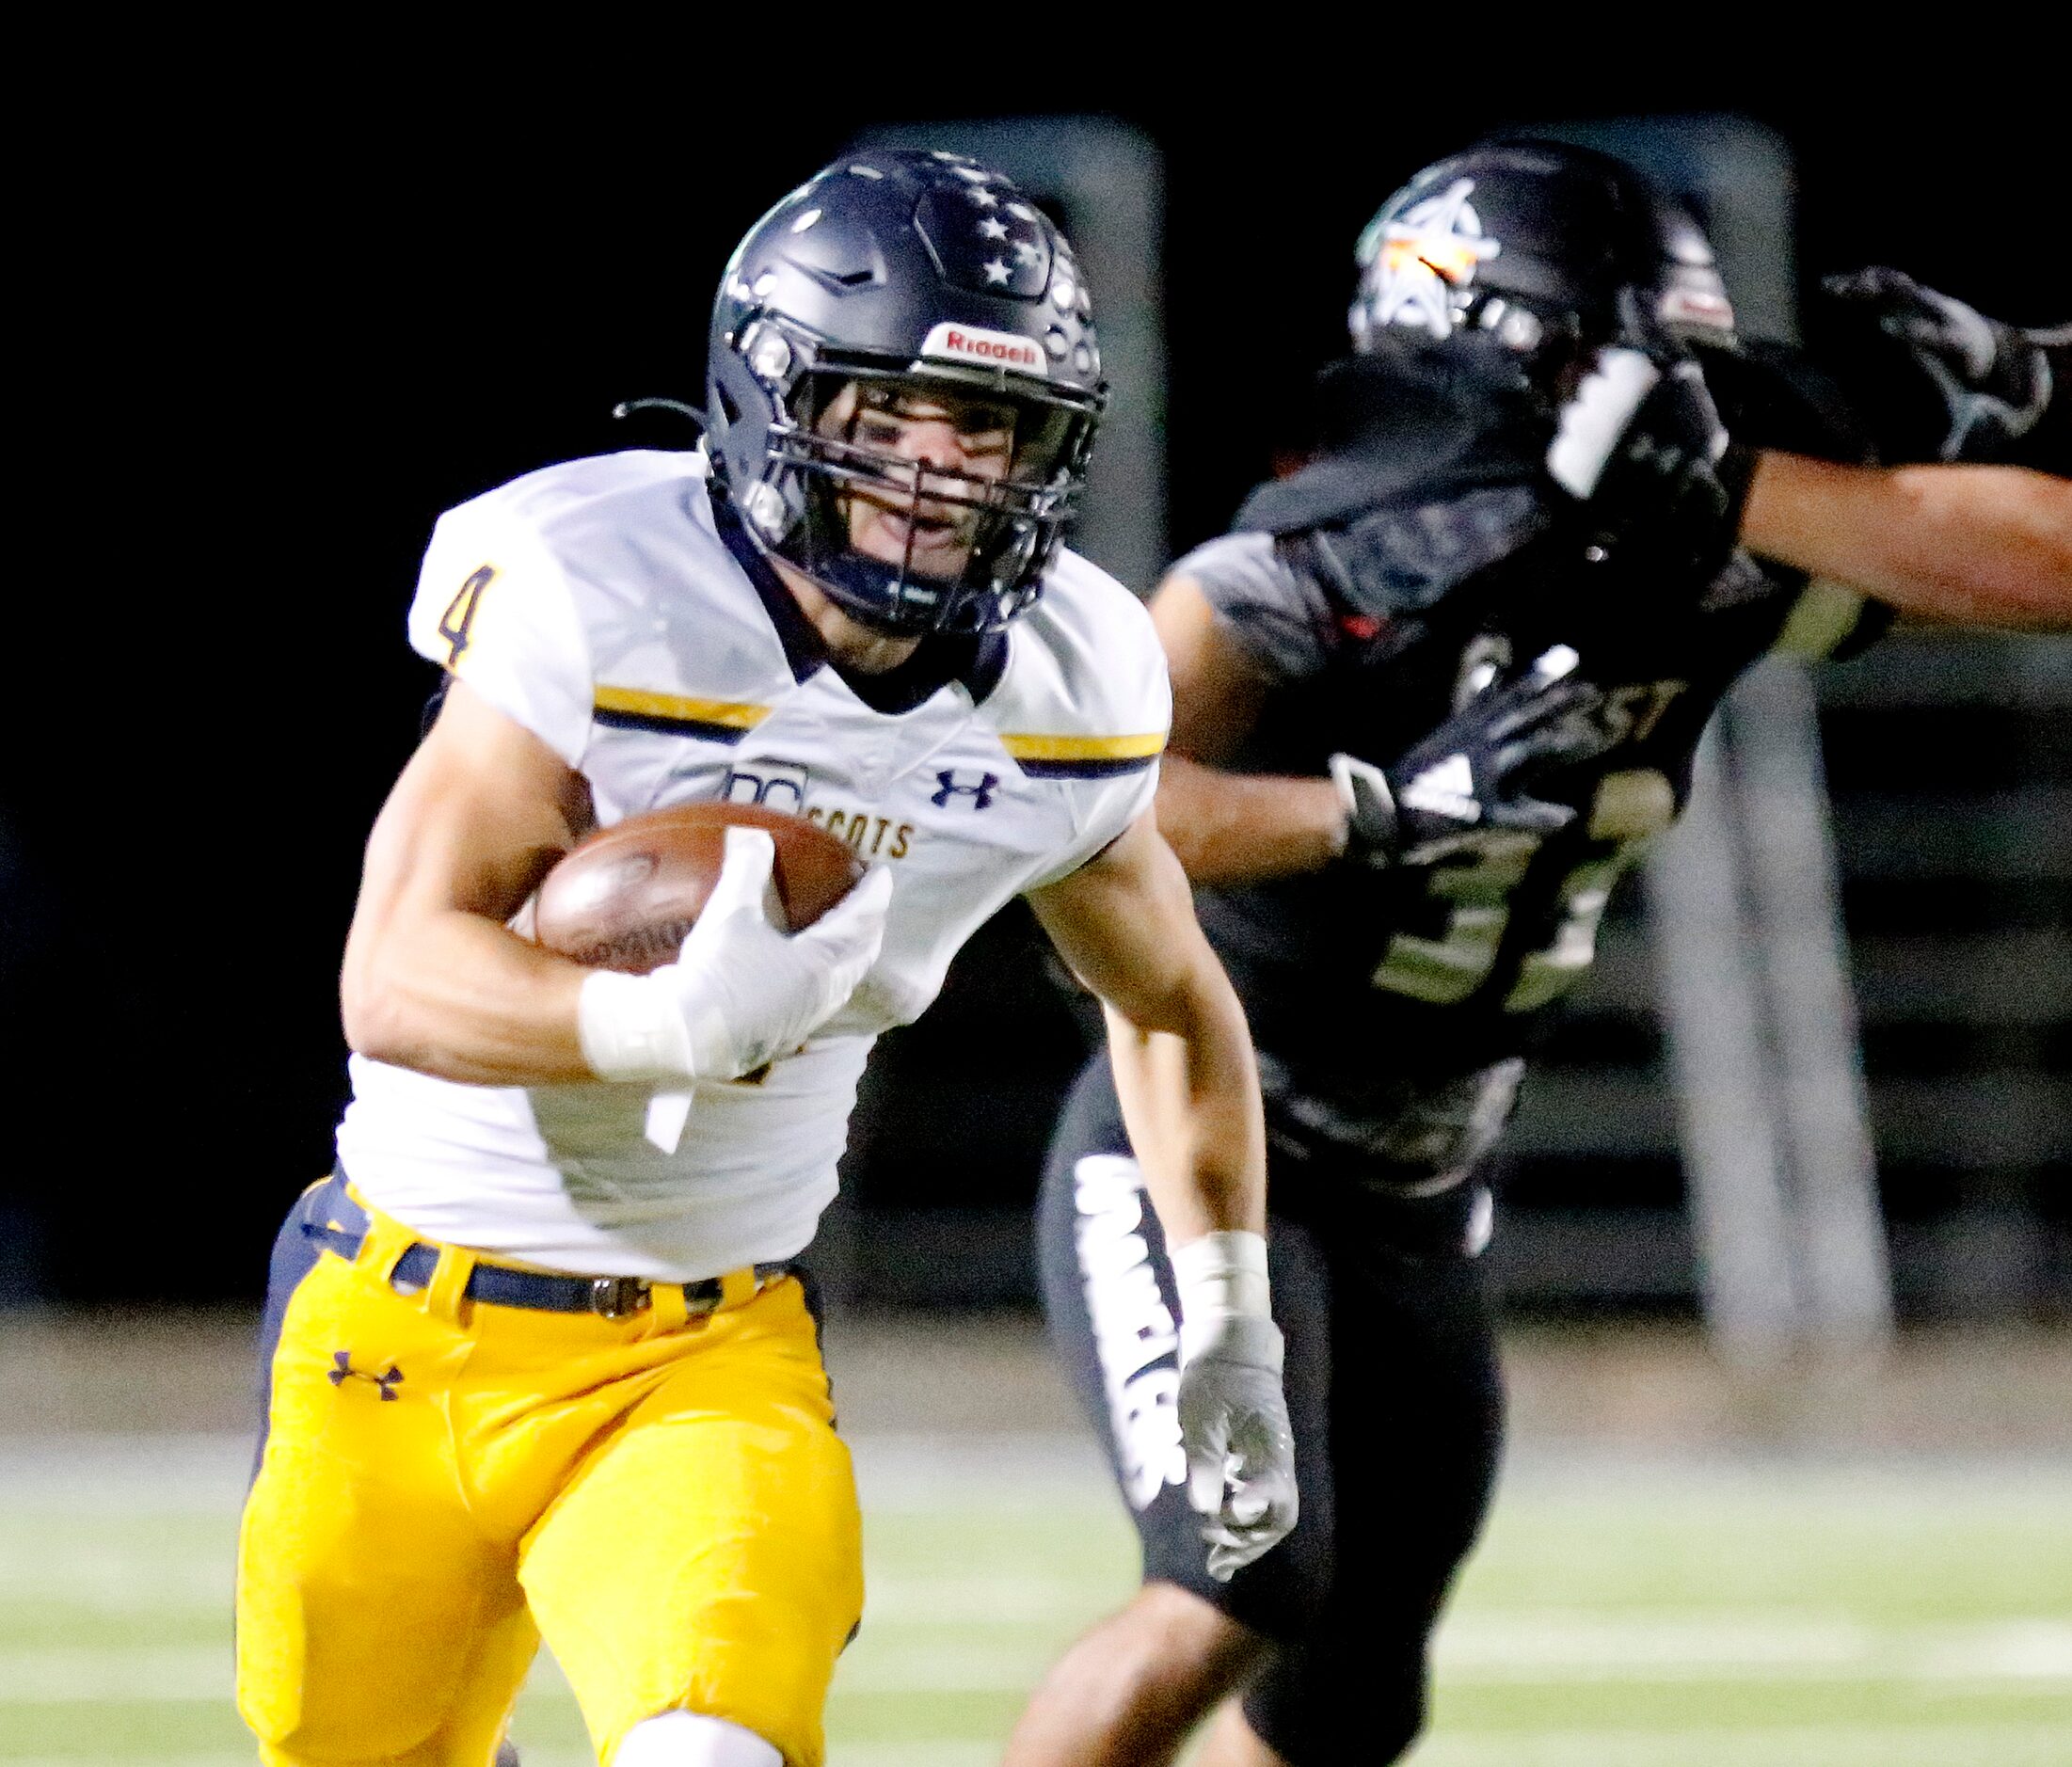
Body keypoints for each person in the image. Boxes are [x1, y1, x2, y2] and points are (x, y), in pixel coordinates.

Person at [1008, 138, 2071, 1767]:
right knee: (1234, 1581)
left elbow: (2041, 564)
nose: (1675, 397)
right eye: (1628, 361)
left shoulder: (1698, 547)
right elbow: (1084, 809)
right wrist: (1368, 814)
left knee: (1351, 1693)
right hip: (1215, 1138)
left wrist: (1792, 462)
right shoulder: (1334, 560)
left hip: (1420, 1185)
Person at [234, 149, 1299, 1767]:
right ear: (778, 396)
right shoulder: (600, 591)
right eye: (892, 418)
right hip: (395, 1322)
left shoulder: (1065, 678)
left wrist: (1228, 1311)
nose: (943, 475)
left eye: (989, 428)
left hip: (704, 1346)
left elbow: (1168, 1002)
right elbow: (392, 973)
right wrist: (648, 1022)